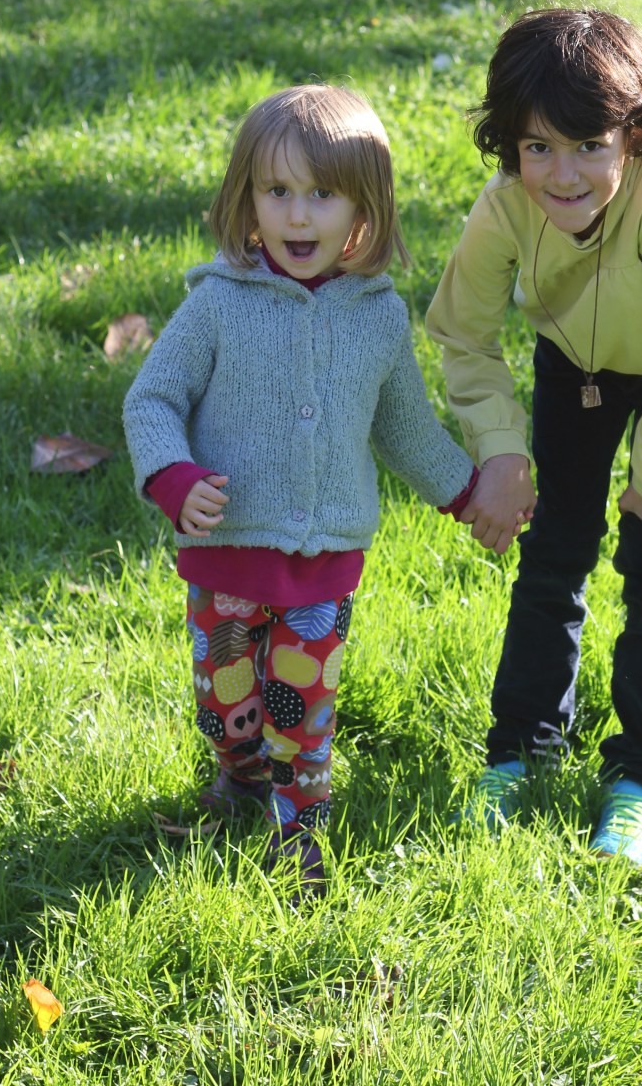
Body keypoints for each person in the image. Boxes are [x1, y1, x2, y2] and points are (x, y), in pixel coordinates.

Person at [427, 6, 642, 864]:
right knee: (556, 544)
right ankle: (520, 750)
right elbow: (462, 333)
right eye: (538, 147)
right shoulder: (506, 207)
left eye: (588, 146)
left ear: (635, 136)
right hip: (578, 352)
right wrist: (502, 452)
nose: (563, 174)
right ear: (508, 146)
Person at [124, 84, 476, 896]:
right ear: (247, 199)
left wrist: (469, 493)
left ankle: (299, 827)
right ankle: (240, 777)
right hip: (224, 555)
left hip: (321, 563)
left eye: (322, 195)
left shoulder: (379, 319)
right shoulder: (217, 304)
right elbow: (153, 398)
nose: (298, 217)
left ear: (365, 208)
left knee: (302, 709)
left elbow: (407, 431)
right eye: (277, 192)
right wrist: (172, 477)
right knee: (226, 703)